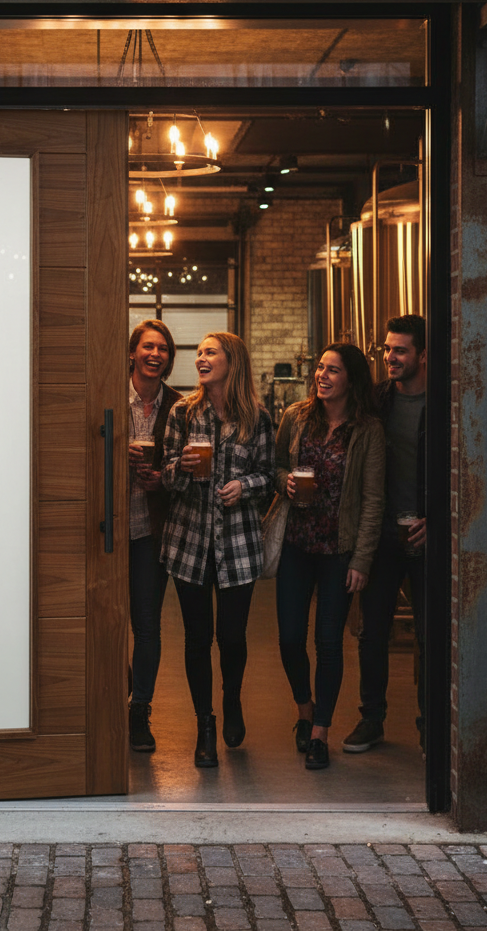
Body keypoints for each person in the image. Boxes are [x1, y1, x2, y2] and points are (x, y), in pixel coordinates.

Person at [160, 332, 275, 768]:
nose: (201, 359)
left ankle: (232, 698)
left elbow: (269, 476)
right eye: (200, 353)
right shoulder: (183, 413)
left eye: (211, 352)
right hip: (189, 542)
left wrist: (244, 486)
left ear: (233, 361)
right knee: (196, 638)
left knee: (231, 637)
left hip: (239, 545)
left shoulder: (257, 418)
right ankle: (204, 724)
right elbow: (167, 478)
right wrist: (182, 467)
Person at [274, 342, 385, 771]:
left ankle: (319, 732)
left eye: (333, 370)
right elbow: (277, 466)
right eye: (320, 368)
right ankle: (304, 708)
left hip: (339, 550)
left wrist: (362, 559)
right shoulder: (297, 417)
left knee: (328, 642)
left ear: (351, 380)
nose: (322, 375)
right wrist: (284, 480)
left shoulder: (367, 430)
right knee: (288, 639)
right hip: (297, 544)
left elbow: (373, 499)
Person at [344, 314, 428, 753]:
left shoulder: (445, 402)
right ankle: (372, 719)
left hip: (428, 537)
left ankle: (431, 725)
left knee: (432, 637)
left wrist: (439, 520)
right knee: (372, 633)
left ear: (423, 356)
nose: (391, 358)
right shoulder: (378, 400)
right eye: (387, 349)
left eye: (400, 350)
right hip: (382, 537)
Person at [127, 320, 180, 752]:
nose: (155, 354)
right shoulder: (106, 396)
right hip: (104, 527)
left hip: (151, 530)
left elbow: (187, 466)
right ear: (132, 352)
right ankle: (108, 700)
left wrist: (162, 478)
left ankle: (139, 710)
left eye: (163, 348)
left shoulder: (179, 406)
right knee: (102, 623)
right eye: (148, 346)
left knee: (146, 626)